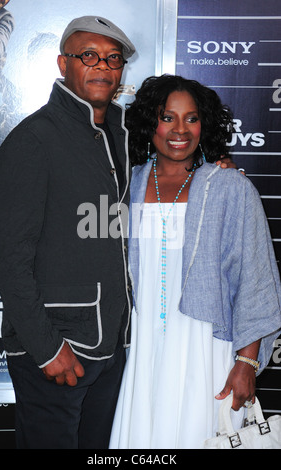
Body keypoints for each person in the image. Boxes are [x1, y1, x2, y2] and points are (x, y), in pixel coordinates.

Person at [0, 16, 136, 449]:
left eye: (113, 58)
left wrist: (214, 160)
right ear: (62, 63)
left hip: (110, 348)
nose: (103, 67)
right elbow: (7, 257)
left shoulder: (123, 134)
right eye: (89, 56)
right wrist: (47, 348)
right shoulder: (33, 140)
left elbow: (179, 139)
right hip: (56, 351)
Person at [109, 74, 281, 449]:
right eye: (167, 117)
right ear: (148, 123)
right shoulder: (127, 185)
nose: (180, 130)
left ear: (205, 125)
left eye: (192, 118)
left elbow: (255, 280)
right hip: (142, 350)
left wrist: (247, 364)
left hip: (206, 349)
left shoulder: (230, 187)